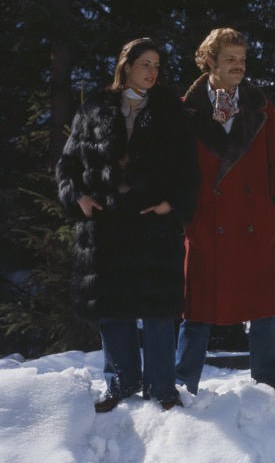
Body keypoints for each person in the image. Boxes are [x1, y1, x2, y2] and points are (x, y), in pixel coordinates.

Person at [56, 38, 198, 412]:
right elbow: (68, 166)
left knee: (156, 310)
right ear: (126, 66)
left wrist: (173, 204)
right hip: (106, 223)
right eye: (144, 64)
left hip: (151, 220)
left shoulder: (170, 110)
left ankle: (162, 388)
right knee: (113, 308)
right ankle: (120, 383)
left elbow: (189, 169)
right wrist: (79, 198)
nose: (152, 72)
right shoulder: (95, 109)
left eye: (156, 65)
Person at [175, 28, 275, 394]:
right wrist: (185, 215)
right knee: (195, 311)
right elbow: (177, 167)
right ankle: (181, 385)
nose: (238, 67)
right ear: (210, 60)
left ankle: (272, 390)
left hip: (255, 222)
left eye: (242, 60)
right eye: (230, 59)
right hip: (205, 223)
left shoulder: (261, 106)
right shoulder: (187, 109)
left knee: (264, 312)